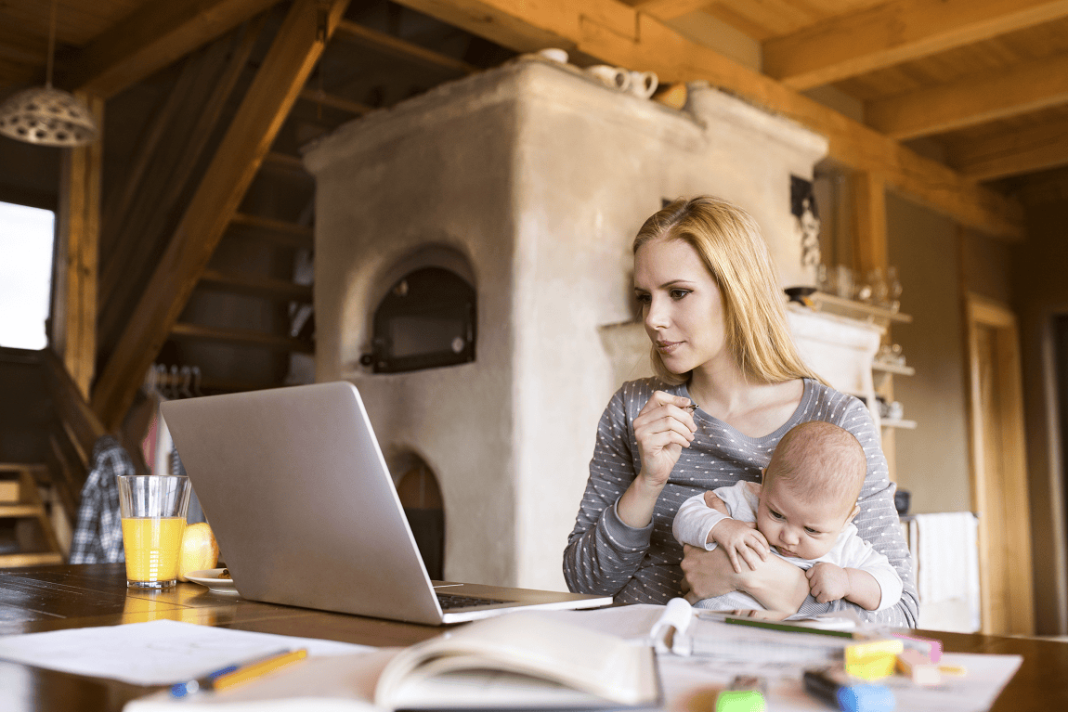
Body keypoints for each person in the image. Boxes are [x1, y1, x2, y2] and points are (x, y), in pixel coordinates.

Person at [561, 196, 918, 626]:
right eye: (645, 297)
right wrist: (649, 481)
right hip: (642, 654)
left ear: (737, 292)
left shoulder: (836, 420)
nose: (653, 318)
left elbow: (904, 613)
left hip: (769, 670)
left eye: (678, 293)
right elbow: (585, 582)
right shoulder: (634, 407)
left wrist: (774, 583)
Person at [672, 420, 903, 613]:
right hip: (707, 624)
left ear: (847, 519)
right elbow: (685, 516)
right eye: (777, 514)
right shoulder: (745, 500)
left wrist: (848, 581)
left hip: (782, 641)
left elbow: (892, 585)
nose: (789, 538)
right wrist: (722, 526)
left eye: (811, 530)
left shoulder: (845, 545)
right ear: (764, 484)